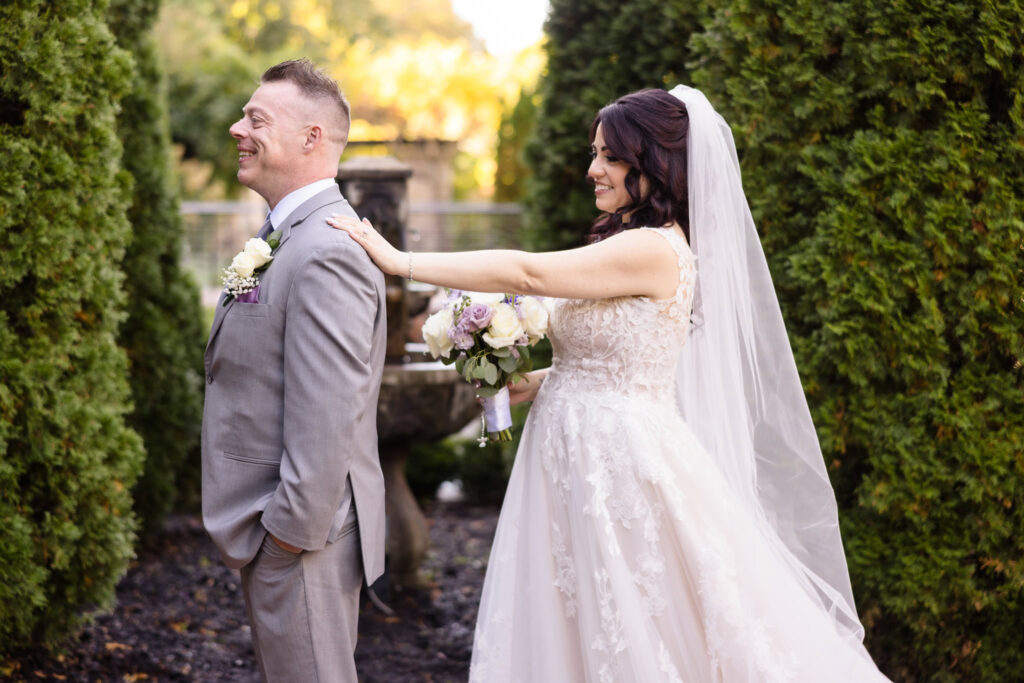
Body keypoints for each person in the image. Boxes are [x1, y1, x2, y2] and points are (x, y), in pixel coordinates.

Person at [330, 86, 890, 681]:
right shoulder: (629, 242)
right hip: (571, 449)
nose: (593, 169)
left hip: (617, 466)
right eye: (595, 153)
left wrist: (400, 261)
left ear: (656, 163)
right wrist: (540, 379)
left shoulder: (652, 248)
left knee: (634, 622)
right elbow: (620, 357)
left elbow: (530, 272)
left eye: (611, 157)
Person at [201, 59, 386, 683]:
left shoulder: (327, 251)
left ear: (312, 138)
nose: (236, 129)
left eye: (256, 119)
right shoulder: (287, 235)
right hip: (280, 535)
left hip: (301, 540)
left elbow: (328, 416)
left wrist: (285, 539)